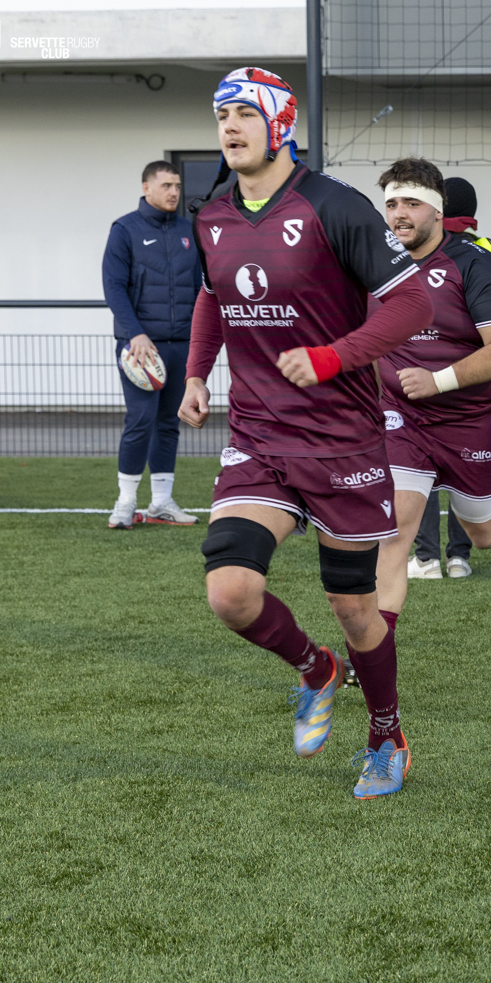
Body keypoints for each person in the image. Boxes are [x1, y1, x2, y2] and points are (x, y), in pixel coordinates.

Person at [177, 67, 432, 799]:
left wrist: (332, 357)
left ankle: (386, 733)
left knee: (353, 606)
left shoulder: (335, 206)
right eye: (221, 115)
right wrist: (196, 375)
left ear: (280, 125)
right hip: (258, 435)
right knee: (230, 591)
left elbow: (412, 304)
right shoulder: (211, 214)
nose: (229, 127)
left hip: (342, 440)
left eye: (243, 114)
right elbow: (212, 298)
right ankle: (316, 670)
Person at [372, 156, 491, 630]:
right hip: (403, 420)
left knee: (485, 531)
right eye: (392, 203)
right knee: (394, 534)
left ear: (438, 209)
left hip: (468, 423)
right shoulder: (374, 263)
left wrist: (437, 380)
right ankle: (372, 653)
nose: (399, 214)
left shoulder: (476, 260)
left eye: (411, 203)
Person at [410, 172, 491, 579]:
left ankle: (426, 557)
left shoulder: (406, 251)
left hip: (418, 387)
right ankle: (459, 557)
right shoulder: (483, 250)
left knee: (420, 477)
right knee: (456, 478)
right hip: (470, 394)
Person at [100, 161, 199, 529]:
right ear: (146, 188)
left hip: (181, 344)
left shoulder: (189, 232)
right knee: (140, 420)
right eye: (166, 185)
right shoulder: (125, 229)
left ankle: (161, 502)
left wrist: (200, 339)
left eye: (177, 186)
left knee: (169, 423)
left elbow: (200, 289)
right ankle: (125, 502)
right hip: (140, 348)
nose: (174, 192)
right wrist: (135, 333)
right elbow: (113, 287)